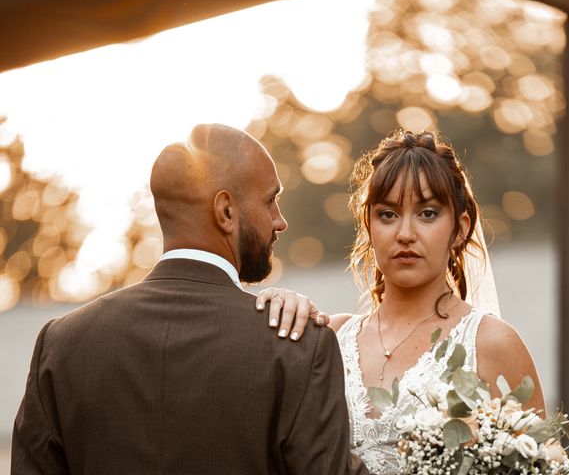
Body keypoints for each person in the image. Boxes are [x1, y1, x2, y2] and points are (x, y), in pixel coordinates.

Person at [11, 123, 368, 474]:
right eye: (271, 200)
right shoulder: (298, 345)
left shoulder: (61, 343)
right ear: (226, 211)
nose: (280, 221)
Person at [257, 129, 546, 475]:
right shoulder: (331, 336)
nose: (405, 233)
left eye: (427, 213)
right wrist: (273, 305)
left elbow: (543, 461)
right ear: (369, 226)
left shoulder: (492, 342)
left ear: (459, 229)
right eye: (388, 214)